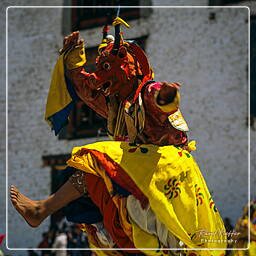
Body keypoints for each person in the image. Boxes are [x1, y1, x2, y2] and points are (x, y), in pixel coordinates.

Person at [10, 17, 227, 256]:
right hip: (140, 173)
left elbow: (162, 101)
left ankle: (42, 209)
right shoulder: (117, 104)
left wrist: (167, 97)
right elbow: (88, 90)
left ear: (129, 68)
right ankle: (87, 225)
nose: (100, 78)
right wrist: (73, 61)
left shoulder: (148, 91)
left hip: (166, 167)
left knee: (96, 156)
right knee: (87, 177)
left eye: (105, 69)